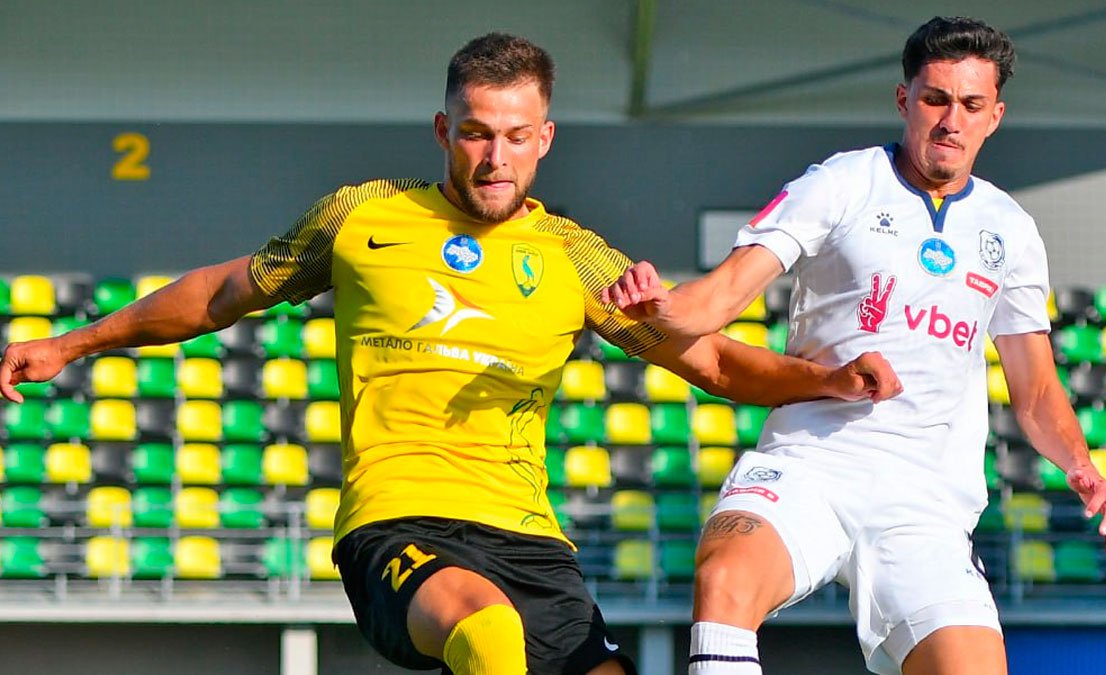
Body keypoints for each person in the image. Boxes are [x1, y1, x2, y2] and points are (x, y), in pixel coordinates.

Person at [0, 34, 901, 675]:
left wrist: (829, 378)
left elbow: (714, 366)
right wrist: (72, 341)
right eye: (475, 131)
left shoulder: (577, 259)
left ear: (545, 138)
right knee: (488, 632)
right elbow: (222, 293)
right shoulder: (362, 217)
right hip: (399, 527)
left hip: (532, 541)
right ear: (443, 130)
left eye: (515, 135)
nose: (494, 156)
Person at [604, 16, 1106, 675]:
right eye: (935, 99)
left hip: (928, 501)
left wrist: (1079, 462)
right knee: (726, 577)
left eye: (971, 105)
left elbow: (1036, 389)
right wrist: (664, 305)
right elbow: (720, 297)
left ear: (995, 116)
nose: (951, 121)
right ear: (904, 99)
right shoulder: (842, 182)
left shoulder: (1011, 228)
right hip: (813, 462)